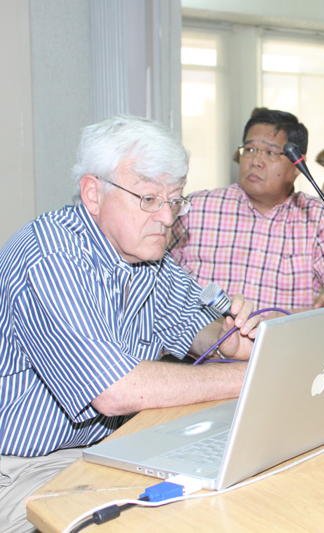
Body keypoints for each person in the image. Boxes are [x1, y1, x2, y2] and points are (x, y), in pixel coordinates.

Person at [0, 115, 263, 532]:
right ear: (93, 193)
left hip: (110, 447)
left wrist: (227, 338)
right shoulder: (49, 258)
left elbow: (198, 327)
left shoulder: (145, 256)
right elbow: (116, 390)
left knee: (242, 489)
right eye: (149, 199)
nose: (167, 218)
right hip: (21, 469)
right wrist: (253, 377)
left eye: (175, 200)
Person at [171, 108, 324, 312]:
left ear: (297, 164)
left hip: (284, 333)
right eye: (249, 149)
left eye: (270, 153)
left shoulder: (316, 215)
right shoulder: (198, 208)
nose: (255, 162)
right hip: (204, 333)